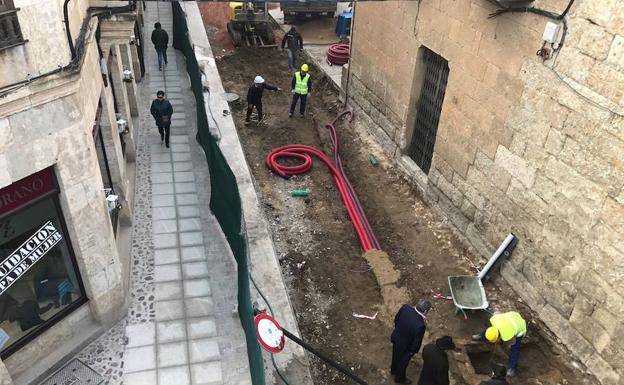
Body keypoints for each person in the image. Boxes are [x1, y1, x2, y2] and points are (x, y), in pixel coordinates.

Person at [472, 311, 526, 377]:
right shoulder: (494, 320)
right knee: (491, 330)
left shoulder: (507, 336)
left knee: (514, 348)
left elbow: (510, 343)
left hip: (520, 326)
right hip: (511, 316)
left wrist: (501, 343)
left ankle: (512, 368)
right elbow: (493, 330)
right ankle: (481, 336)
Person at [390, 299, 432, 384]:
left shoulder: (405, 308)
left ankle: (393, 370)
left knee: (395, 354)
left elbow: (396, 320)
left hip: (396, 337)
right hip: (406, 347)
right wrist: (412, 352)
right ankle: (399, 378)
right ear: (425, 311)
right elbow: (416, 341)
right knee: (403, 362)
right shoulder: (420, 325)